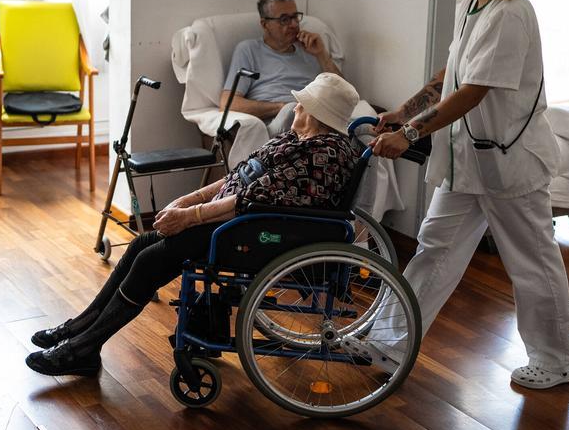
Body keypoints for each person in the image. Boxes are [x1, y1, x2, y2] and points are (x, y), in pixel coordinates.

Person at [362, 0, 569, 390]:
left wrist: (411, 134)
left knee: (532, 262)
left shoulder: (511, 13)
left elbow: (473, 92)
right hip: (468, 164)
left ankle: (556, 360)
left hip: (510, 163)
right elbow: (449, 77)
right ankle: (390, 342)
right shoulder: (475, 2)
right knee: (434, 249)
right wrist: (402, 110)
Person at [25, 73, 362, 377]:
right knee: (143, 245)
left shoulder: (324, 154)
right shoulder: (297, 140)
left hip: (257, 233)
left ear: (316, 115)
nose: (295, 110)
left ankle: (82, 347)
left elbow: (253, 199)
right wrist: (186, 201)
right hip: (236, 224)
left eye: (301, 106)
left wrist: (190, 216)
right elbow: (236, 178)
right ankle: (81, 331)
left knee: (149, 260)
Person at [221, 0, 341, 128]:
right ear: (265, 24)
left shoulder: (310, 49)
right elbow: (228, 103)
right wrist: (282, 107)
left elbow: (343, 94)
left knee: (363, 124)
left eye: (295, 16)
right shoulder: (248, 50)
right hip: (281, 121)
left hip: (318, 118)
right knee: (291, 113)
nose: (294, 24)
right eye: (284, 20)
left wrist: (322, 54)